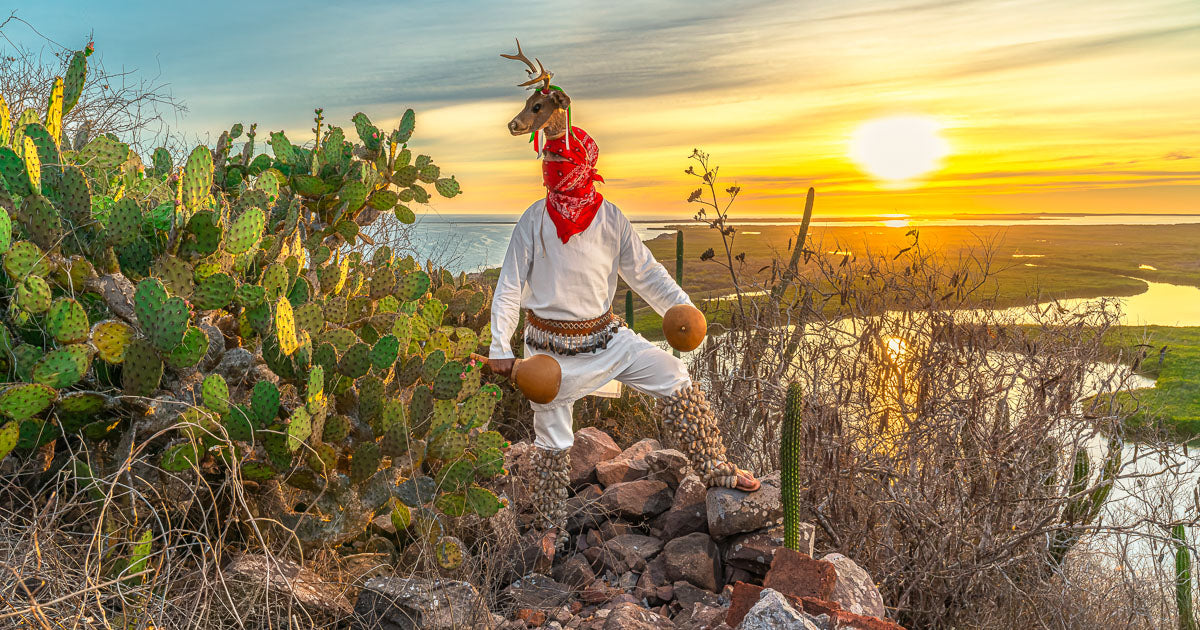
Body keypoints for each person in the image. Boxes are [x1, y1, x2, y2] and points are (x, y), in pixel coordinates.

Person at [488, 125, 760, 535]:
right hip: (549, 350)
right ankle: (550, 529)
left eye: (560, 160)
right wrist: (500, 346)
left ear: (582, 166)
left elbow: (647, 274)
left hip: (606, 338)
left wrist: (681, 309)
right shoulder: (533, 220)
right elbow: (509, 285)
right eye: (547, 160)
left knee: (673, 374)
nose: (551, 167)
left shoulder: (611, 218)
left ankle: (715, 467)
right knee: (553, 438)